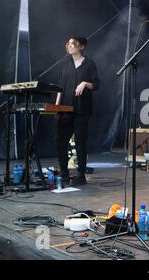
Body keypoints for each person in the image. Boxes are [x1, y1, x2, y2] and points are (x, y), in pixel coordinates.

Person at [55, 36, 99, 186]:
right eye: (68, 43)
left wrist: (85, 83)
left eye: (74, 43)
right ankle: (64, 173)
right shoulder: (64, 64)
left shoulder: (89, 64)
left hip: (82, 109)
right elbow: (60, 87)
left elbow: (96, 84)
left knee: (80, 142)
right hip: (65, 108)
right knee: (61, 141)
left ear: (82, 47)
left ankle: (81, 175)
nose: (70, 46)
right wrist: (56, 106)